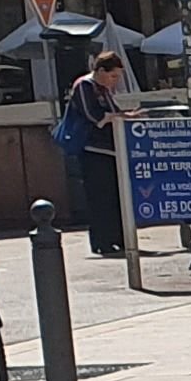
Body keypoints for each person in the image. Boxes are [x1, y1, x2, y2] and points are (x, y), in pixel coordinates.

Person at [53, 46, 128, 258]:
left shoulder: (103, 89)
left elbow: (112, 113)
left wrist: (125, 116)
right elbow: (93, 116)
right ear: (102, 71)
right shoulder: (84, 86)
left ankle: (116, 237)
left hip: (111, 150)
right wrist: (119, 117)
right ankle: (101, 241)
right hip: (92, 149)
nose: (115, 81)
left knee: (114, 195)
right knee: (99, 196)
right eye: (113, 76)